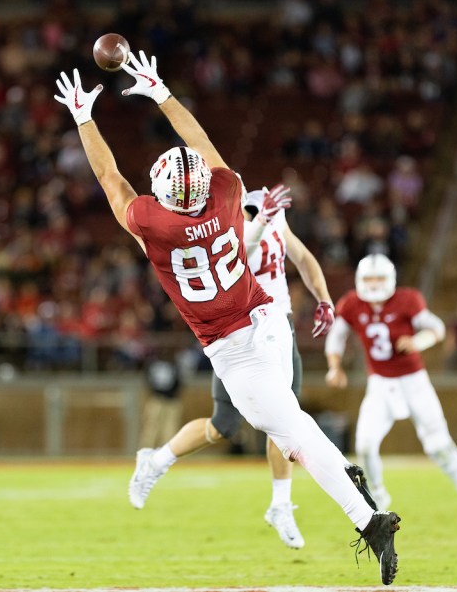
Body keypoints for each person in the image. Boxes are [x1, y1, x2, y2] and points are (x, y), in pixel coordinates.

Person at [54, 51, 401, 585]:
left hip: (234, 349)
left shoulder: (155, 226)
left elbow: (108, 175)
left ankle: (366, 516)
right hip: (268, 321)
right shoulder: (226, 193)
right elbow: (204, 146)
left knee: (292, 431)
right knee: (293, 428)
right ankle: (353, 497)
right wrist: (159, 89)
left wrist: (83, 116)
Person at [125, 182, 364, 551]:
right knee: (223, 426)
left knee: (289, 422)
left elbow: (301, 257)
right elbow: (238, 248)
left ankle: (281, 503)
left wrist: (324, 299)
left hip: (275, 326)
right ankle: (156, 461)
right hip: (241, 334)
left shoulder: (266, 214)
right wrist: (259, 222)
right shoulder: (220, 226)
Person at [324, 254, 457, 536]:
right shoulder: (352, 303)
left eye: (379, 279)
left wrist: (417, 341)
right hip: (380, 384)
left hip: (414, 382)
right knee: (364, 445)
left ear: (390, 280)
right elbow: (336, 335)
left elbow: (437, 328)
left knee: (440, 446)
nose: (374, 285)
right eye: (369, 279)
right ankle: (379, 500)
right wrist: (334, 365)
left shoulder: (407, 300)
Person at [138, 350, 184, 449]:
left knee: (169, 430)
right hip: (157, 399)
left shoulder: (173, 365)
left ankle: (166, 453)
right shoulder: (155, 365)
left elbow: (179, 382)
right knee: (152, 429)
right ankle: (147, 451)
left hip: (169, 400)